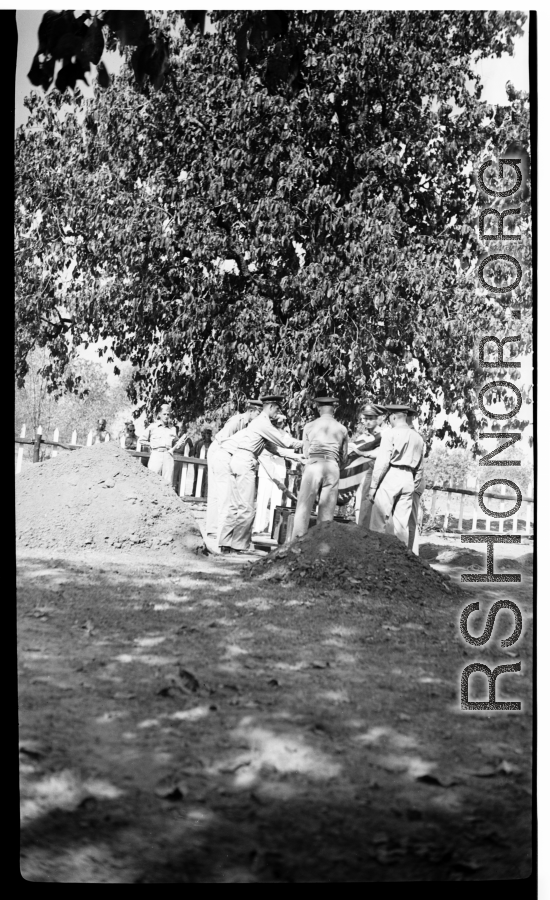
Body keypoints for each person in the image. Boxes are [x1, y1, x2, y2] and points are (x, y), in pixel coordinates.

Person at [217, 394, 304, 554]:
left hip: (237, 460)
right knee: (247, 507)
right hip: (246, 462)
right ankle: (239, 546)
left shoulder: (259, 423)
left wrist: (297, 456)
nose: (277, 414)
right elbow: (284, 441)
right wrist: (308, 442)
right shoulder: (264, 423)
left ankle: (226, 543)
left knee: (235, 506)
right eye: (277, 409)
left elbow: (273, 448)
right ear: (270, 407)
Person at [367, 404, 426, 545]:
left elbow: (382, 463)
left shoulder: (390, 434)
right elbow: (420, 467)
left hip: (392, 474)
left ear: (393, 417)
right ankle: (401, 559)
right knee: (402, 525)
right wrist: (413, 483)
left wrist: (373, 487)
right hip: (408, 478)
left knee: (379, 519)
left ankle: (376, 556)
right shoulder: (418, 438)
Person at [205, 400, 263, 538]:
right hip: (219, 450)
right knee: (217, 492)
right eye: (258, 413)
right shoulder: (237, 421)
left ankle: (218, 527)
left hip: (230, 453)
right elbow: (224, 440)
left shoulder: (251, 424)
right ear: (251, 411)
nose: (260, 416)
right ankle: (214, 529)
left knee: (226, 493)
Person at [292, 395, 349, 539]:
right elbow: (344, 457)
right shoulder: (342, 429)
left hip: (313, 465)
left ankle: (297, 541)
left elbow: (306, 452)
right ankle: (321, 543)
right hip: (332, 466)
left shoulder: (309, 426)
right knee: (327, 510)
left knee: (304, 505)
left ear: (318, 409)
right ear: (333, 410)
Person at [138, 403, 178, 484]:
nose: (166, 416)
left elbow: (176, 442)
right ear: (159, 414)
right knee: (152, 479)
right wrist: (151, 445)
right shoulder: (153, 427)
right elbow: (141, 440)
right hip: (156, 454)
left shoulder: (172, 428)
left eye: (168, 414)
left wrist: (178, 444)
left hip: (168, 455)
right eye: (164, 414)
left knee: (167, 481)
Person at [406, 407, 426, 554]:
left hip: (413, 480)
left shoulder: (412, 435)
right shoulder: (412, 434)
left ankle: (410, 553)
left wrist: (413, 484)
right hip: (413, 480)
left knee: (409, 520)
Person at [192, 425, 214, 497]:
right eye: (206, 433)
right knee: (197, 478)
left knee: (207, 479)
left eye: (209, 433)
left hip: (209, 464)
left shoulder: (213, 444)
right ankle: (195, 493)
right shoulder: (199, 443)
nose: (207, 435)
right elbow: (195, 453)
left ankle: (205, 494)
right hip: (199, 463)